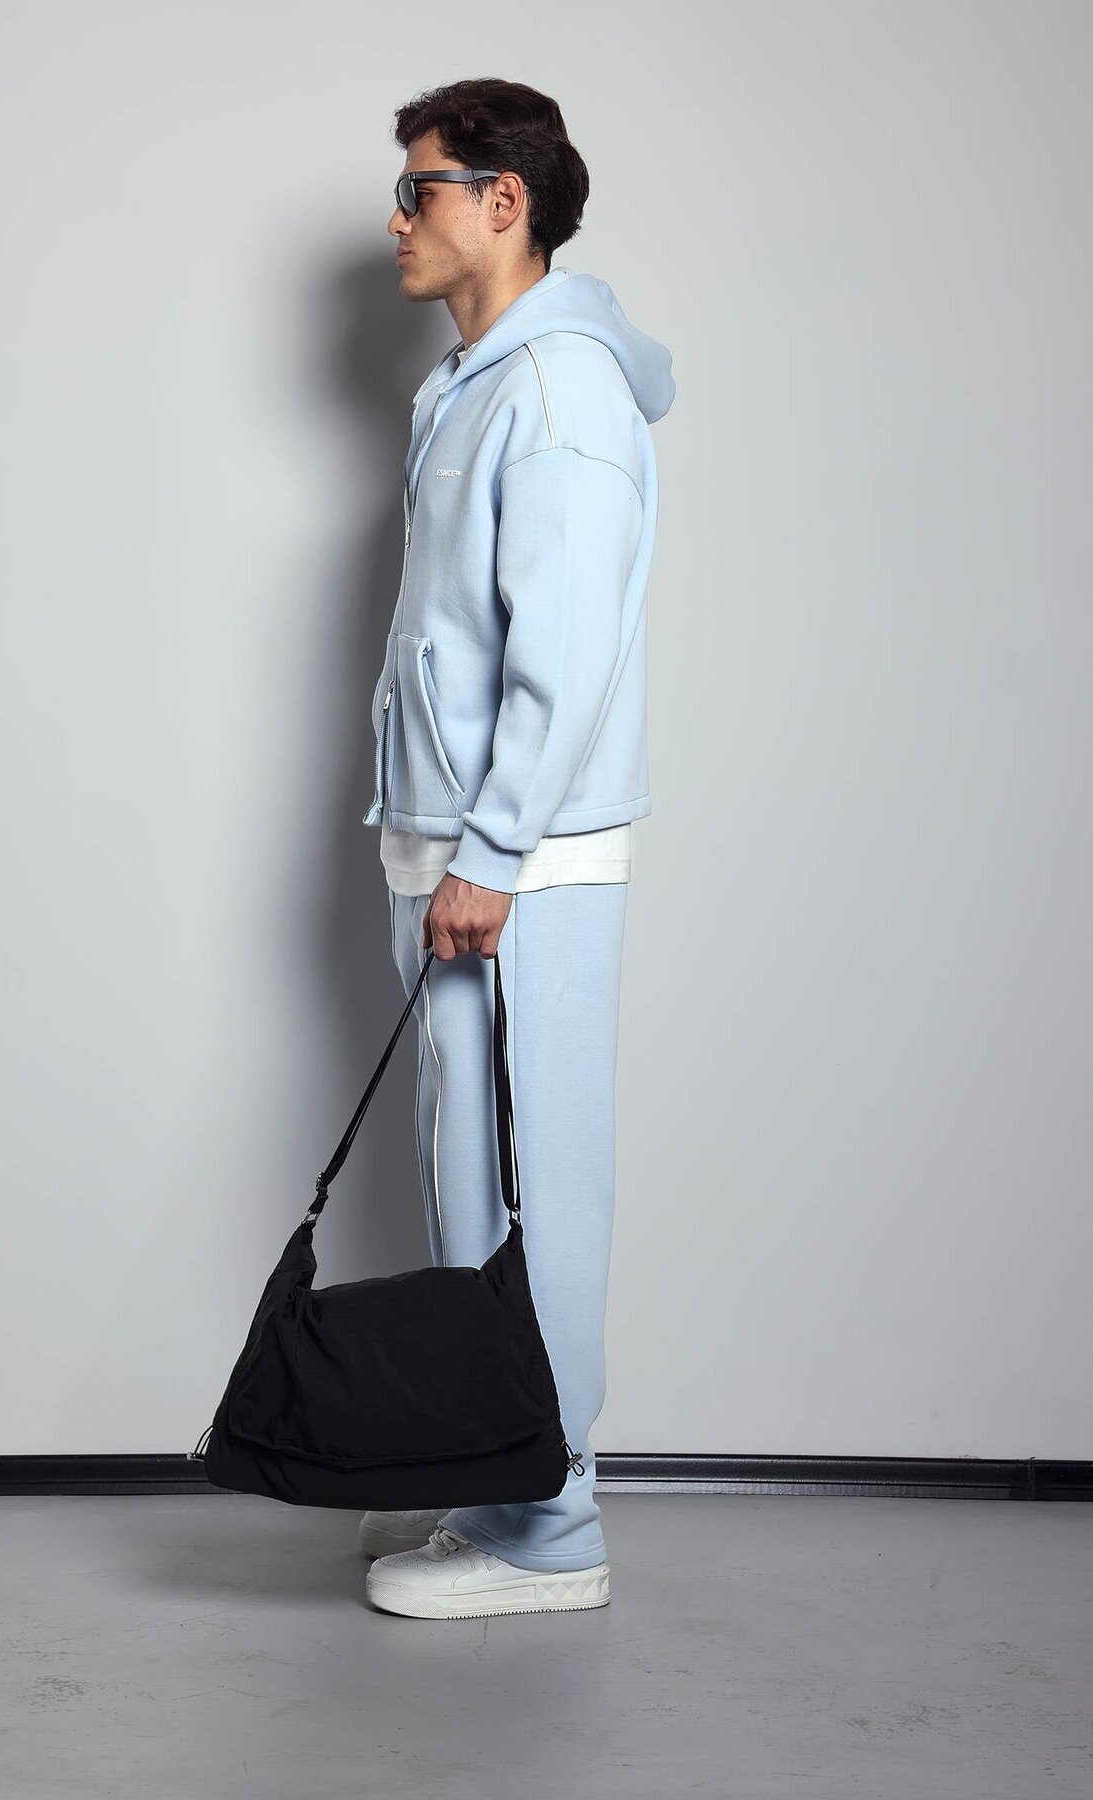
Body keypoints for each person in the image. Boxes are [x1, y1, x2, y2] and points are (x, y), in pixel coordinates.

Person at [358, 78, 675, 1621]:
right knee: (468, 1203)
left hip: (517, 870)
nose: (396, 219)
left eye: (420, 188)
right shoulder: (474, 384)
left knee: (538, 1195)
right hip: (461, 859)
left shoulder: (557, 392)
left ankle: (552, 1528)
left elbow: (565, 653)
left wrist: (487, 852)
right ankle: (494, 1479)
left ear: (505, 201)